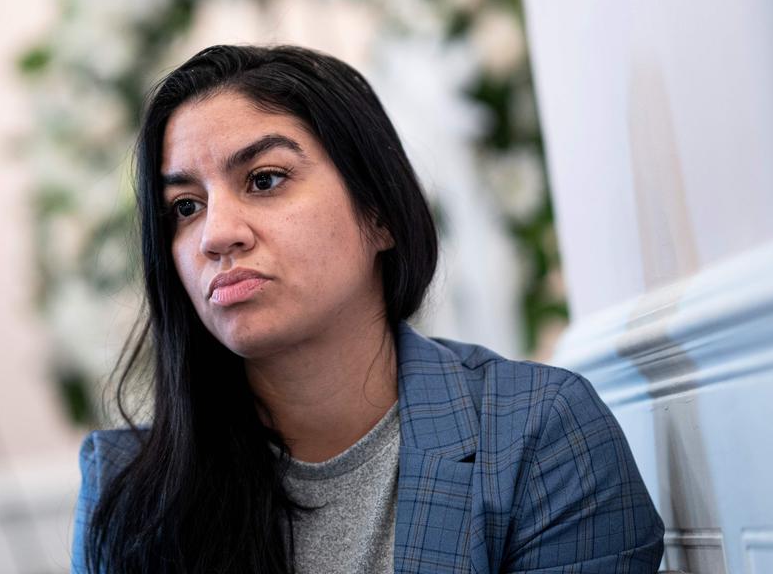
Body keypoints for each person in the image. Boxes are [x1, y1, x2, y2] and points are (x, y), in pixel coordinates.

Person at [71, 44, 664, 573]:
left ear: (378, 212)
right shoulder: (125, 487)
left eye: (265, 179)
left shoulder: (538, 435)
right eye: (184, 206)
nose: (216, 235)